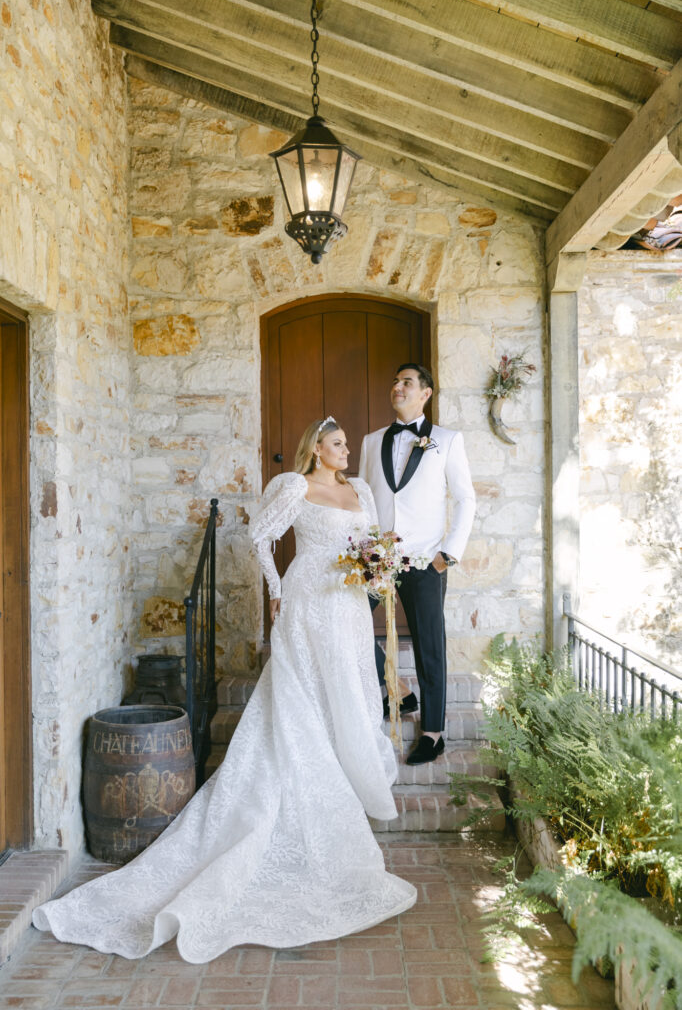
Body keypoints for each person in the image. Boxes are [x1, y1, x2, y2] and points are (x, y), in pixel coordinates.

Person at [32, 417, 416, 963]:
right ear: (317, 449)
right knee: (301, 697)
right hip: (308, 601)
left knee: (350, 689)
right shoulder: (295, 487)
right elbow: (261, 536)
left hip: (349, 603)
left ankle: (351, 773)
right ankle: (310, 787)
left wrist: (376, 573)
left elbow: (372, 542)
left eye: (346, 444)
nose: (346, 450)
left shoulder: (359, 491)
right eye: (337, 444)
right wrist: (278, 590)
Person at [359, 364, 476, 767]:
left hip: (426, 560)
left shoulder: (446, 440)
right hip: (377, 560)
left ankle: (433, 733)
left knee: (430, 647)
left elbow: (466, 499)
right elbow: (363, 500)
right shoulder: (372, 441)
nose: (397, 387)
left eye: (407, 382)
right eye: (395, 381)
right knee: (348, 620)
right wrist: (362, 550)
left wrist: (449, 554)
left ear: (425, 393)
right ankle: (396, 692)